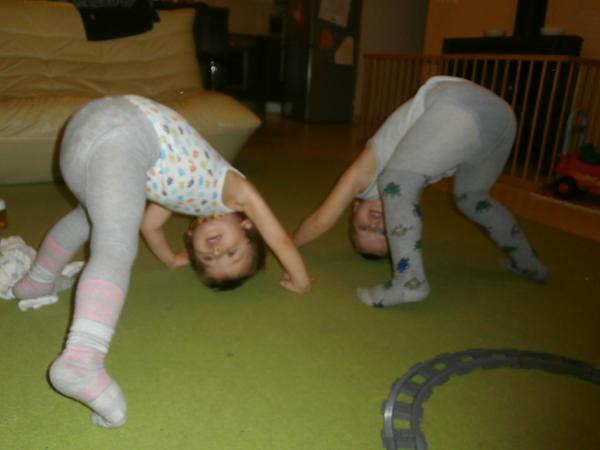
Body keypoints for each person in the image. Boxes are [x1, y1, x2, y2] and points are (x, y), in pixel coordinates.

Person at [12, 95, 311, 428]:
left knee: (89, 217)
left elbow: (150, 226)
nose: (216, 252)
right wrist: (300, 280)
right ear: (247, 226)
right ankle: (82, 359)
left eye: (207, 259)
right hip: (125, 129)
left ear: (191, 240)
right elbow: (280, 239)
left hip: (82, 137)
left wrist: (169, 258)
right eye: (232, 252)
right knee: (115, 243)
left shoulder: (183, 191)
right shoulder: (237, 192)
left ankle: (37, 281)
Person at [293, 76, 548, 308]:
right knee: (472, 198)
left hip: (460, 103)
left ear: (354, 207)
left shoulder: (361, 177)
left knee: (396, 181)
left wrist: (289, 244)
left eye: (364, 227)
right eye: (384, 232)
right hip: (501, 120)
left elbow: (321, 221)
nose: (376, 223)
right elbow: (406, 207)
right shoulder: (408, 182)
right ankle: (528, 263)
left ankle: (409, 281)